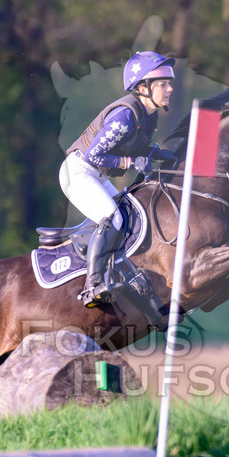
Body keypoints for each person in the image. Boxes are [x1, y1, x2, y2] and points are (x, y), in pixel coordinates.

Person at [60, 51, 178, 307]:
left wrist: (161, 155)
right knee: (113, 217)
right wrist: (132, 163)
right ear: (143, 87)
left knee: (131, 217)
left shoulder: (150, 115)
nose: (170, 88)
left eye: (169, 83)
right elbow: (94, 156)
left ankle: (118, 273)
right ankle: (92, 285)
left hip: (96, 174)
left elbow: (136, 147)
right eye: (163, 84)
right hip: (79, 171)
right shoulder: (125, 116)